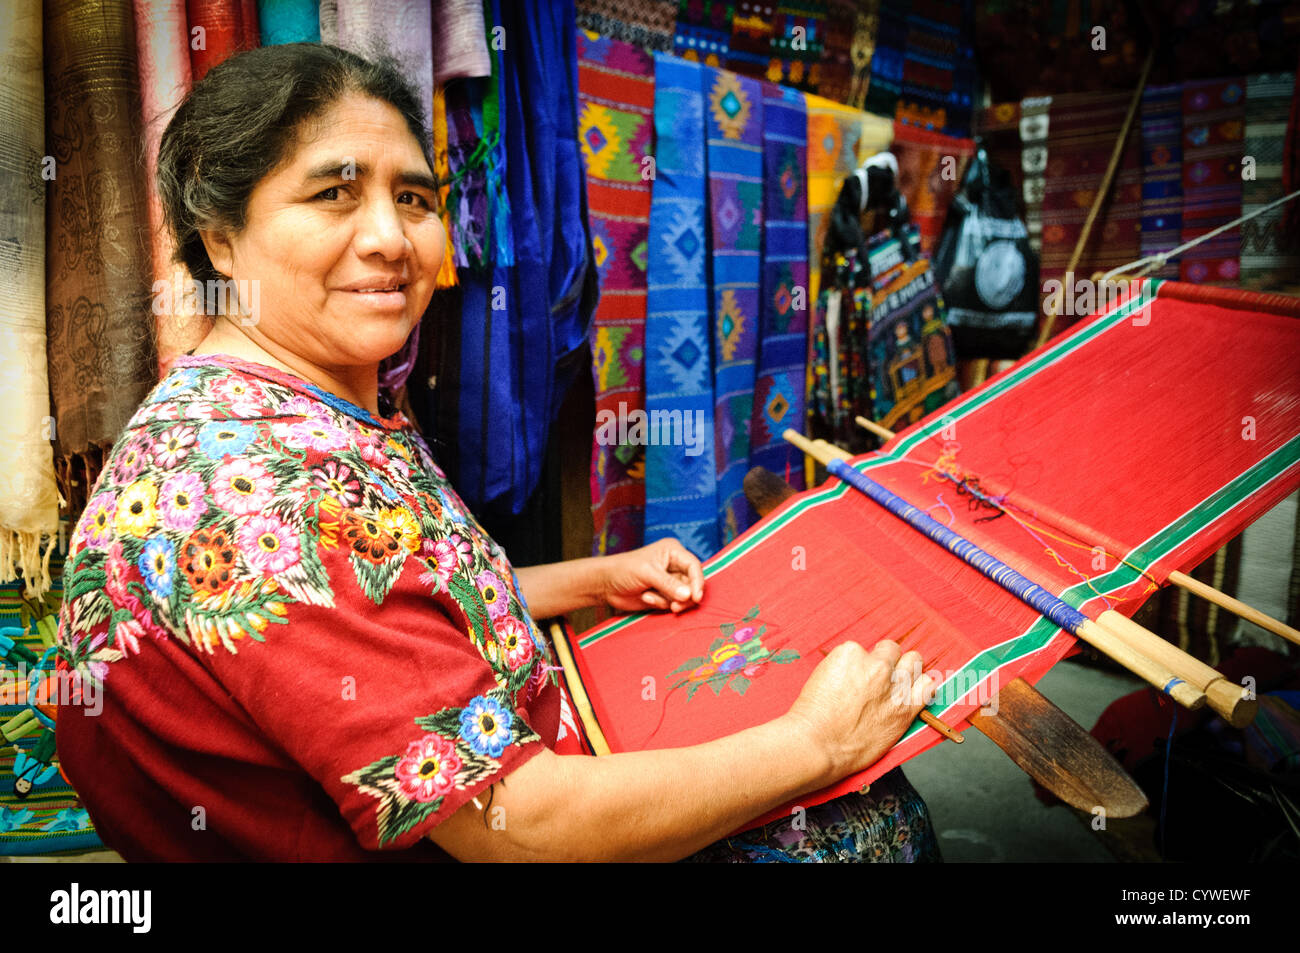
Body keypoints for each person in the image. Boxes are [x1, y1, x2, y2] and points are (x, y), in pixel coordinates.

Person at [54, 43, 936, 862]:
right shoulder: (263, 500)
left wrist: (587, 581)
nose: (392, 240)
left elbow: (390, 603)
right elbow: (516, 830)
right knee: (862, 814)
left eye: (415, 198)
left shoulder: (253, 412)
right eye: (333, 195)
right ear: (220, 234)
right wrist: (812, 745)